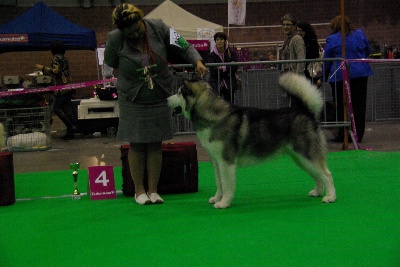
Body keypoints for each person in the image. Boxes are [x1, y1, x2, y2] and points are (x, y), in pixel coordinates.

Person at [104, 3, 208, 205]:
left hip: (159, 93)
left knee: (155, 142)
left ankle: (153, 190)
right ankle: (139, 191)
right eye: (129, 33)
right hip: (132, 97)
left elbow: (184, 45)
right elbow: (110, 61)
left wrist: (197, 60)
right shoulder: (115, 38)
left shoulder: (159, 27)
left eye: (136, 29)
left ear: (141, 20)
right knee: (136, 143)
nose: (134, 35)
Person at [322, 15, 373, 143]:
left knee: (340, 106)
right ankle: (358, 135)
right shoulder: (360, 34)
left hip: (339, 76)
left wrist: (323, 76)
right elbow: (368, 50)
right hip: (361, 74)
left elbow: (327, 60)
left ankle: (342, 135)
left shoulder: (332, 39)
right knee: (359, 107)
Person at [35, 40, 77, 140]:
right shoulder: (64, 58)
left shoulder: (55, 57)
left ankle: (70, 126)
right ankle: (70, 132)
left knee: (56, 108)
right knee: (67, 110)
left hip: (61, 87)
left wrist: (43, 68)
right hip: (69, 86)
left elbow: (55, 71)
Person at [208, 32, 239, 102]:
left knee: (230, 105)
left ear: (225, 41)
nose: (219, 41)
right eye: (217, 39)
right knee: (216, 105)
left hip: (229, 83)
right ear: (215, 41)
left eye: (221, 39)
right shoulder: (211, 55)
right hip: (216, 84)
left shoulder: (232, 53)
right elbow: (213, 71)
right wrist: (228, 67)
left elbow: (235, 67)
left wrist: (222, 68)